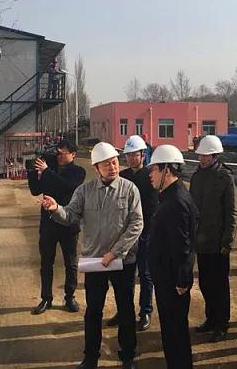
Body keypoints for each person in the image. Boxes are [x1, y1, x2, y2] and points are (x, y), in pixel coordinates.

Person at [42, 142, 143, 369]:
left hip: (123, 261)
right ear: (96, 167)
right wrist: (56, 208)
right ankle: (90, 357)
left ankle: (128, 355)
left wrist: (114, 252)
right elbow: (70, 215)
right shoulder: (85, 191)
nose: (113, 167)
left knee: (126, 309)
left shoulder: (129, 190)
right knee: (93, 311)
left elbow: (136, 224)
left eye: (114, 162)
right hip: (95, 261)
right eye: (106, 164)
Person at [147, 144, 199, 369]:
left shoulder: (176, 201)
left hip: (172, 279)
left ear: (166, 170)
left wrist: (182, 279)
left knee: (175, 329)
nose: (150, 174)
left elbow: (183, 246)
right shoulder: (171, 195)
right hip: (167, 275)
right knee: (171, 328)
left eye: (153, 169)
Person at [189, 135, 237, 342]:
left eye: (206, 156)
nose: (202, 159)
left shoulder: (225, 177)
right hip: (201, 242)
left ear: (215, 156)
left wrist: (228, 241)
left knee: (219, 286)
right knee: (205, 283)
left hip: (218, 243)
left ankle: (222, 323)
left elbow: (232, 211)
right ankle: (210, 319)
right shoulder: (196, 176)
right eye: (200, 155)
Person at [27, 139, 85, 314]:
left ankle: (70, 297)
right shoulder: (49, 169)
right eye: (57, 153)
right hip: (49, 223)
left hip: (69, 223)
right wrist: (33, 170)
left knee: (71, 263)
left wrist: (46, 171)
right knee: (46, 262)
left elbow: (66, 187)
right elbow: (35, 190)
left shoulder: (78, 172)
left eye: (62, 153)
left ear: (73, 154)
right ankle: (46, 298)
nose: (58, 156)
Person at [107, 135, 159, 331]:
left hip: (146, 233)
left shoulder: (150, 176)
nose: (129, 158)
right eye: (127, 155)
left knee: (145, 274)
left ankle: (145, 311)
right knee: (124, 275)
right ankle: (124, 311)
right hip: (125, 234)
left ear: (142, 155)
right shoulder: (123, 176)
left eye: (133, 155)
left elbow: (153, 207)